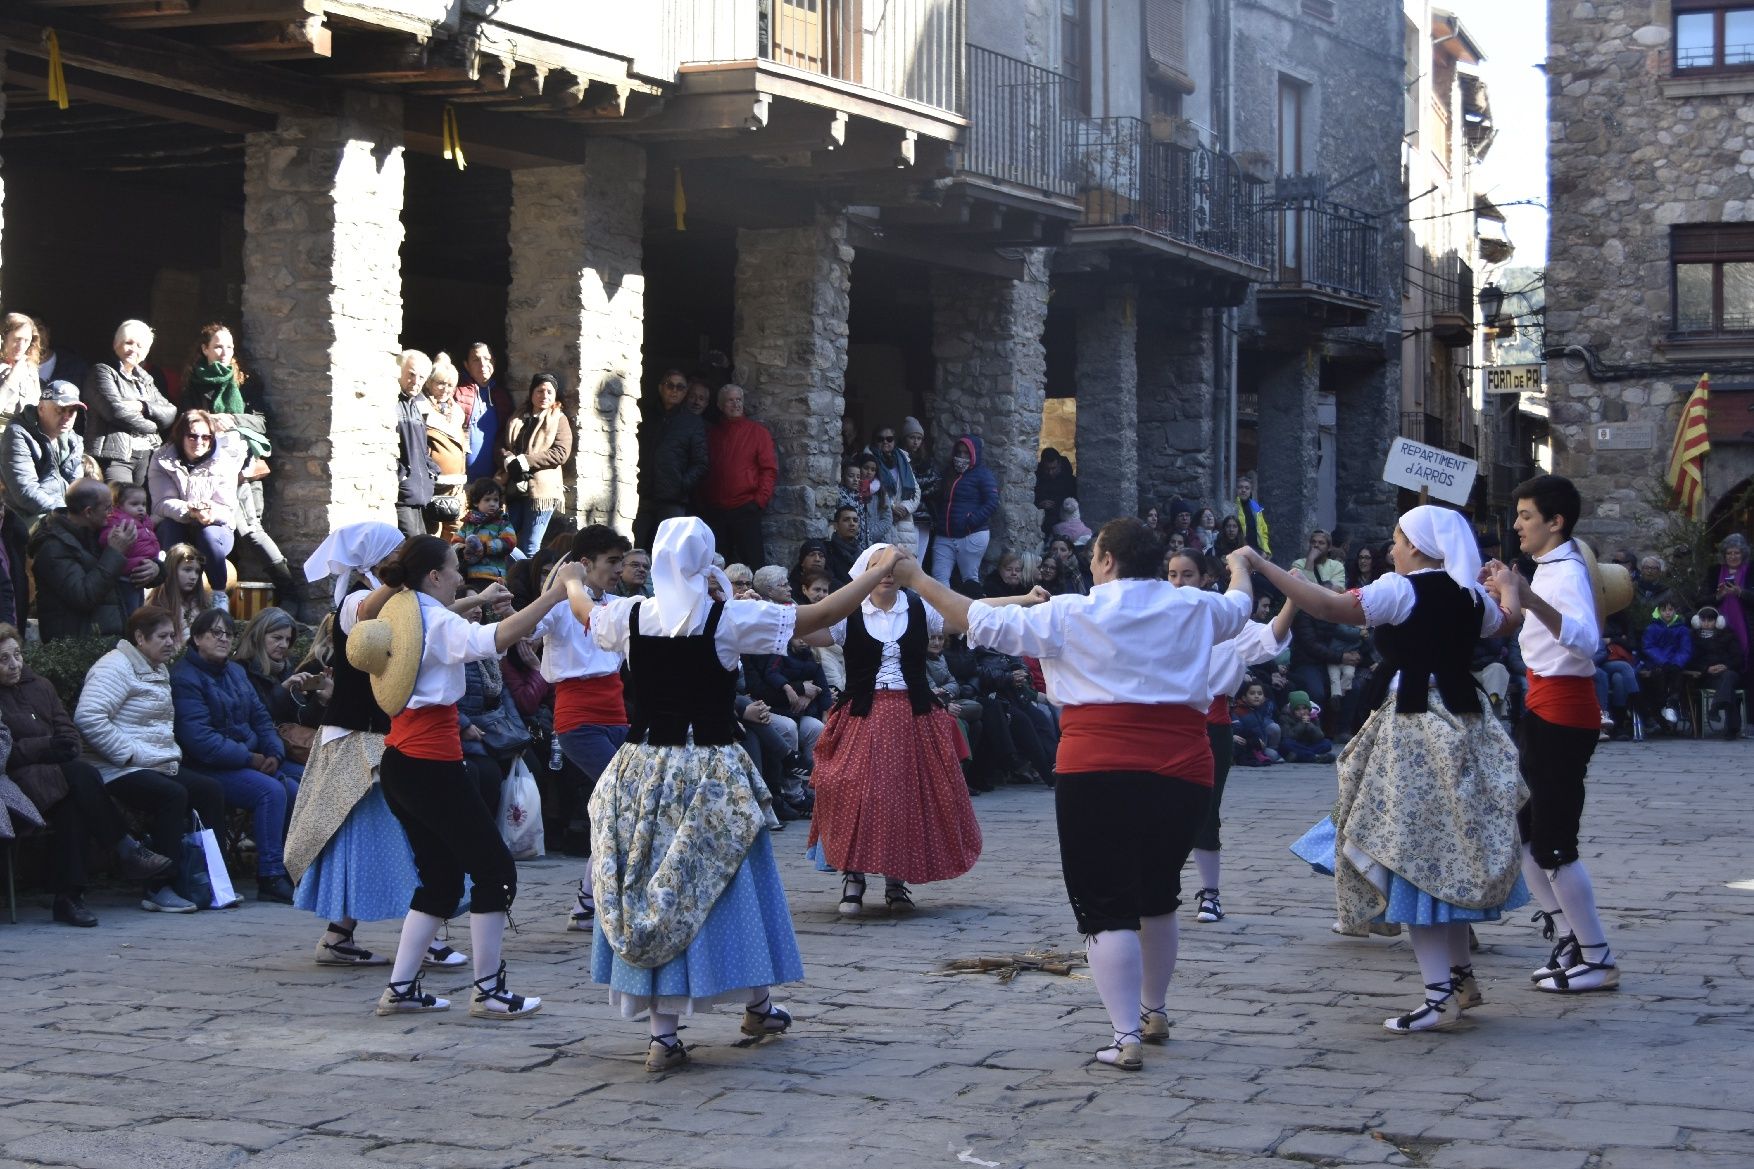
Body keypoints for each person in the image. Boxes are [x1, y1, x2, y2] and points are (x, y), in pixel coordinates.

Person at [897, 520, 1255, 1071]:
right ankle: (1153, 1010)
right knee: (1159, 892)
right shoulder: (1197, 608)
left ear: (1107, 560)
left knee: (1106, 902)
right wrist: (1239, 567)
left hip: (1098, 766)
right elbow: (1239, 603)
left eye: (1094, 559)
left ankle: (1124, 1034)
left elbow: (976, 618)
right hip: (1183, 765)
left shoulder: (1073, 612)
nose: (1090, 567)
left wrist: (917, 576)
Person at [563, 518, 904, 1071]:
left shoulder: (630, 615)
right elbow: (817, 616)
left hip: (643, 768)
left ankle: (665, 1034)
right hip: (709, 773)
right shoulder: (728, 620)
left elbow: (584, 611)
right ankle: (758, 1004)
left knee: (655, 884)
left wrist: (572, 581)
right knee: (730, 885)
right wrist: (882, 571)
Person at [1260, 505, 1523, 1032]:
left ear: (1419, 546)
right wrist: (1509, 584)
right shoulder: (1469, 594)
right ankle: (1460, 978)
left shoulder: (1401, 591)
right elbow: (1508, 620)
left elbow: (1332, 607)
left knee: (1412, 858)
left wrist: (1266, 567)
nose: (1391, 550)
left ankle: (1438, 995)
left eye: (1398, 540)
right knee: (1446, 850)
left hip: (1414, 730)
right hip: (1467, 723)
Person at [348, 536, 577, 1019]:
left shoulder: (401, 611)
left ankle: (402, 987)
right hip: (432, 764)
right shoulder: (436, 620)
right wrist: (554, 595)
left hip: (403, 761)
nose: (459, 576)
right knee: (494, 871)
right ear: (434, 576)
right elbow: (492, 640)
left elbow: (454, 622)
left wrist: (478, 600)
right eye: (454, 570)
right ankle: (488, 990)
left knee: (442, 879)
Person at [289, 524, 465, 971]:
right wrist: (400, 576)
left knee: (384, 837)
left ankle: (341, 936)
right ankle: (414, 937)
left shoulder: (396, 601)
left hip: (376, 736)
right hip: (359, 738)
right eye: (397, 552)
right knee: (399, 835)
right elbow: (370, 613)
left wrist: (474, 604)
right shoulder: (354, 601)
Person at [1482, 474, 1619, 995]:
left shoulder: (1563, 575)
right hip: (1545, 707)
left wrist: (1530, 597)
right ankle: (1569, 937)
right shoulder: (1549, 570)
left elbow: (1587, 642)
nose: (1516, 525)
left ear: (1555, 522)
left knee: (1554, 842)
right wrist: (1503, 587)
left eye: (1526, 516)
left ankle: (1597, 956)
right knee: (1528, 833)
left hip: (1564, 711)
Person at [804, 542, 988, 916]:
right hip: (862, 715)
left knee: (905, 797)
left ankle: (895, 878)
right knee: (854, 792)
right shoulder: (847, 613)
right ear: (865, 569)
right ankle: (853, 875)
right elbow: (805, 628)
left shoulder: (920, 609)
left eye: (895, 563)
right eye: (879, 564)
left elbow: (975, 615)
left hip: (912, 716)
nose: (888, 570)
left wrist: (1028, 600)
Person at [0, 623, 173, 926]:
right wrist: (44, 746)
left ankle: (69, 898)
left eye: (17, 655)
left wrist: (60, 748)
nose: (14, 664)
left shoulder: (40, 686)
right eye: (3, 659)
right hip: (17, 781)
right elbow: (7, 751)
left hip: (58, 775)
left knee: (74, 805)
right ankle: (124, 850)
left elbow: (67, 730)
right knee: (81, 776)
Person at [1166, 549, 1295, 927]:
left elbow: (1271, 638)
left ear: (1205, 578)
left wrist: (1293, 601)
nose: (1178, 583)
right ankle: (1161, 887)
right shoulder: (1156, 614)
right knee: (1160, 809)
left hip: (1211, 725)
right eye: (1172, 575)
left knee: (1205, 810)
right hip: (1163, 725)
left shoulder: (1227, 616)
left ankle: (1210, 893)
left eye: (1187, 575)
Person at [75, 606, 228, 913]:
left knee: (209, 791)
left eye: (174, 635)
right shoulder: (114, 667)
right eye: (163, 636)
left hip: (154, 762)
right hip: (114, 767)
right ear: (140, 638)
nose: (171, 642)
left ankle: (208, 882)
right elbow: (88, 716)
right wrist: (127, 753)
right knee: (172, 795)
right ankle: (160, 886)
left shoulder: (157, 667)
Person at [532, 525, 632, 931]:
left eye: (621, 562)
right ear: (585, 564)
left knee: (617, 804)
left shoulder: (617, 605)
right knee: (621, 798)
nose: (619, 570)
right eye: (612, 562)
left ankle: (590, 902)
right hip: (577, 719)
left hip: (616, 714)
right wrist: (553, 591)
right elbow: (524, 633)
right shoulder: (558, 606)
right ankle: (590, 902)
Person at [180, 323, 309, 621]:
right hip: (205, 471)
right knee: (202, 531)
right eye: (218, 347)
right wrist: (206, 421)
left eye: (229, 347)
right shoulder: (194, 385)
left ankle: (288, 589)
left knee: (249, 530)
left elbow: (262, 422)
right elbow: (185, 421)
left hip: (241, 470)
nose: (225, 353)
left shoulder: (244, 382)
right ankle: (198, 604)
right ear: (205, 349)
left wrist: (232, 419)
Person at [171, 608, 300, 903]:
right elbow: (200, 740)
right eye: (215, 633)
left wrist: (273, 753)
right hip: (208, 766)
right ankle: (270, 876)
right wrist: (250, 758)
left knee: (292, 788)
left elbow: (262, 720)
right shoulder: (185, 678)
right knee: (270, 791)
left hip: (249, 758)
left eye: (228, 633)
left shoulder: (236, 672)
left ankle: (289, 868)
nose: (223, 639)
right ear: (197, 638)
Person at [30, 478, 152, 642]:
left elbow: (138, 555)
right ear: (88, 512)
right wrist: (115, 553)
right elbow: (84, 596)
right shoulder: (52, 547)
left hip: (108, 635)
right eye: (107, 508)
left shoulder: (97, 530)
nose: (112, 513)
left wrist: (156, 569)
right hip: (77, 645)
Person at [148, 410, 246, 595]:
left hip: (215, 525)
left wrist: (210, 513)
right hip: (177, 521)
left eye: (206, 437)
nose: (199, 441)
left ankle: (219, 595)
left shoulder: (223, 462)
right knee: (170, 529)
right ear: (181, 436)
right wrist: (189, 511)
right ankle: (171, 595)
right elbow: (161, 503)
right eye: (192, 436)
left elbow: (227, 508)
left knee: (208, 534)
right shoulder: (161, 459)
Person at [85, 319, 176, 488]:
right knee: (119, 508)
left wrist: (143, 407)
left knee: (143, 510)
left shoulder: (145, 379)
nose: (134, 349)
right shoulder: (102, 371)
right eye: (129, 343)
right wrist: (153, 426)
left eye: (140, 346)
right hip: (116, 457)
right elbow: (115, 412)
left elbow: (170, 412)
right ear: (115, 344)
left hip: (148, 454)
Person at [699, 384, 777, 568]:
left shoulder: (758, 433)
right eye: (730, 400)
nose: (735, 404)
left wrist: (758, 501)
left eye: (738, 399)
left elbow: (769, 469)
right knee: (716, 565)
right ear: (720, 405)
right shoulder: (712, 434)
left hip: (746, 508)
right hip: (716, 510)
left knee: (754, 563)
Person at [634, 369, 709, 553]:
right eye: (670, 385)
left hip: (673, 499)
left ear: (685, 392)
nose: (674, 391)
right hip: (642, 495)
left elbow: (701, 462)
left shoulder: (692, 422)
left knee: (669, 552)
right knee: (635, 547)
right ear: (661, 388)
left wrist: (681, 484)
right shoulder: (645, 415)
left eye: (680, 387)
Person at [500, 372, 574, 557]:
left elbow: (561, 452)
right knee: (505, 539)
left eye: (549, 391)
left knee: (530, 545)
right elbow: (500, 443)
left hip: (542, 491)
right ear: (532, 393)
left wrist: (526, 461)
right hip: (515, 487)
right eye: (540, 390)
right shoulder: (517, 417)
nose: (544, 395)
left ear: (555, 395)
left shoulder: (559, 419)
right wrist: (508, 459)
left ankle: (529, 584)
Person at [0, 314, 43, 619]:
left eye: (27, 340)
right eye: (16, 338)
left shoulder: (32, 370)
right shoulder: (12, 369)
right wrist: (14, 372)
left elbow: (35, 409)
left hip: (20, 442)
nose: (22, 345)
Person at [2, 379, 85, 525]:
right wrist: (66, 514)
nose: (67, 417)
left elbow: (77, 486)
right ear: (41, 408)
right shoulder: (18, 433)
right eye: (60, 410)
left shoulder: (74, 440)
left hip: (64, 513)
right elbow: (25, 490)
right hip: (25, 516)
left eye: (72, 411)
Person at [931, 435, 999, 586]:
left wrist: (971, 521)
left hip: (971, 534)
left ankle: (973, 610)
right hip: (944, 535)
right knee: (938, 578)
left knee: (969, 580)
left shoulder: (983, 474)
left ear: (975, 454)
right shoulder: (948, 473)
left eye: (966, 453)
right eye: (959, 452)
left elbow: (992, 501)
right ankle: (942, 610)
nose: (961, 457)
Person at [421, 354, 469, 538]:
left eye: (450, 385)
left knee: (455, 529)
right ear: (429, 383)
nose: (445, 389)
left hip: (456, 483)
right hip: (433, 483)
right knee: (432, 531)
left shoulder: (455, 410)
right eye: (440, 383)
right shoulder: (421, 408)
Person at [455, 343, 514, 485]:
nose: (483, 364)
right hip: (462, 478)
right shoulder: (457, 392)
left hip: (493, 482)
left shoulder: (501, 396)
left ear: (493, 362)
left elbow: (507, 436)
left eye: (487, 359)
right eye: (476, 360)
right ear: (466, 365)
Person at [394, 351, 439, 539]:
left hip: (420, 492)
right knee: (412, 547)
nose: (416, 381)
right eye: (411, 374)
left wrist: (432, 471)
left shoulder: (415, 406)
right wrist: (402, 475)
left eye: (421, 377)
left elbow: (421, 449)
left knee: (422, 545)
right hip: (404, 493)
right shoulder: (393, 404)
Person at [865, 423, 920, 559]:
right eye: (880, 439)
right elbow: (866, 490)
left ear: (894, 441)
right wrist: (891, 508)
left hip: (904, 524)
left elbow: (916, 492)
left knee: (904, 570)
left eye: (889, 439)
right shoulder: (868, 462)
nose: (885, 442)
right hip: (882, 519)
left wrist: (905, 508)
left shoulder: (903, 460)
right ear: (874, 440)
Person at [1690, 606, 1744, 738]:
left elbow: (1738, 658)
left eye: (1710, 620)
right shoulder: (1693, 638)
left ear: (1718, 621)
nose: (1707, 623)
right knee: (1728, 687)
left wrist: (1726, 666)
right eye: (1703, 620)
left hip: (1728, 671)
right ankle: (1732, 729)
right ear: (1698, 621)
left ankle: (1715, 708)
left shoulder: (1728, 636)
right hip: (1706, 676)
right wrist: (1707, 669)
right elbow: (1690, 660)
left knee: (1729, 677)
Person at [453, 478, 518, 587]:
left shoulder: (502, 522)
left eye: (495, 500)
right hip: (470, 575)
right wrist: (463, 550)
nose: (492, 504)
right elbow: (455, 542)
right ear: (475, 502)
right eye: (487, 500)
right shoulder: (468, 523)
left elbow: (509, 541)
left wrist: (485, 547)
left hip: (493, 576)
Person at [145, 543, 215, 642]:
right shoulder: (157, 606)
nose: (193, 577)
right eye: (187, 570)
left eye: (197, 571)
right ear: (171, 570)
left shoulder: (204, 604)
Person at [900, 417, 937, 562]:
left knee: (919, 560)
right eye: (912, 437)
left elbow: (934, 483)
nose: (916, 442)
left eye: (919, 438)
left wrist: (918, 490)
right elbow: (905, 485)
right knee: (908, 558)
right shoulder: (900, 459)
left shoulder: (926, 460)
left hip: (925, 518)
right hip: (909, 517)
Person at [1033, 448, 1077, 537]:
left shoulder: (1070, 480)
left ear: (1060, 464)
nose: (1050, 472)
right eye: (1047, 469)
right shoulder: (1037, 478)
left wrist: (1060, 504)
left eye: (1053, 468)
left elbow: (1075, 500)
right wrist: (1040, 504)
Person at [825, 505, 861, 588]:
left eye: (855, 520)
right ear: (836, 525)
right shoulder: (827, 551)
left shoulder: (862, 554)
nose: (852, 523)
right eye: (846, 520)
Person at [1235, 475, 1271, 558]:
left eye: (1247, 488)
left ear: (1250, 491)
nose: (1243, 490)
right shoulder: (1233, 506)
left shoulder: (1255, 506)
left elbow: (1263, 530)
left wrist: (1265, 550)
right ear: (1236, 489)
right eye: (1240, 487)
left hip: (1257, 551)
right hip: (1239, 550)